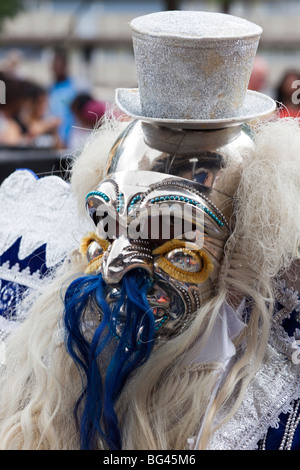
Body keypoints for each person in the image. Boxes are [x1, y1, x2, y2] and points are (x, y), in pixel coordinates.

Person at [0, 11, 300, 452]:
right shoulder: (38, 300)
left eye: (172, 242)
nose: (116, 265)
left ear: (240, 252)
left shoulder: (274, 392)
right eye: (107, 228)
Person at [48, 50, 77, 148]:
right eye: (55, 66)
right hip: (54, 140)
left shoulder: (75, 87)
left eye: (60, 65)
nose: (57, 68)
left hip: (71, 140)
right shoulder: (49, 89)